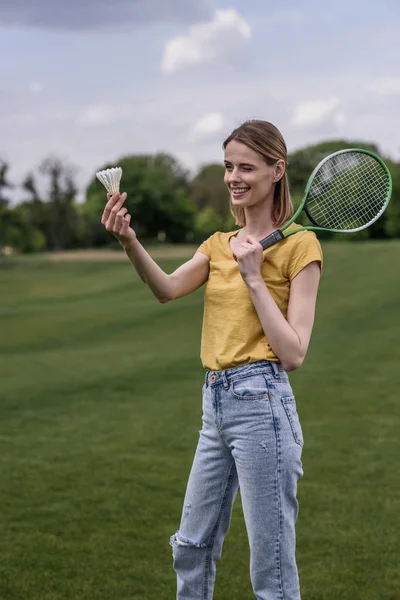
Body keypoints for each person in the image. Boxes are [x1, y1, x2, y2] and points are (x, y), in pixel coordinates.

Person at [101, 120, 322, 600]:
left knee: (273, 571)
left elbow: (294, 352)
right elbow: (166, 289)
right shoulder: (218, 244)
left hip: (263, 405)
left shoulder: (301, 245)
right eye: (228, 166)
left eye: (246, 167)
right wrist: (129, 241)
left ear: (276, 170)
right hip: (215, 407)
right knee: (191, 547)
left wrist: (255, 278)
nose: (233, 177)